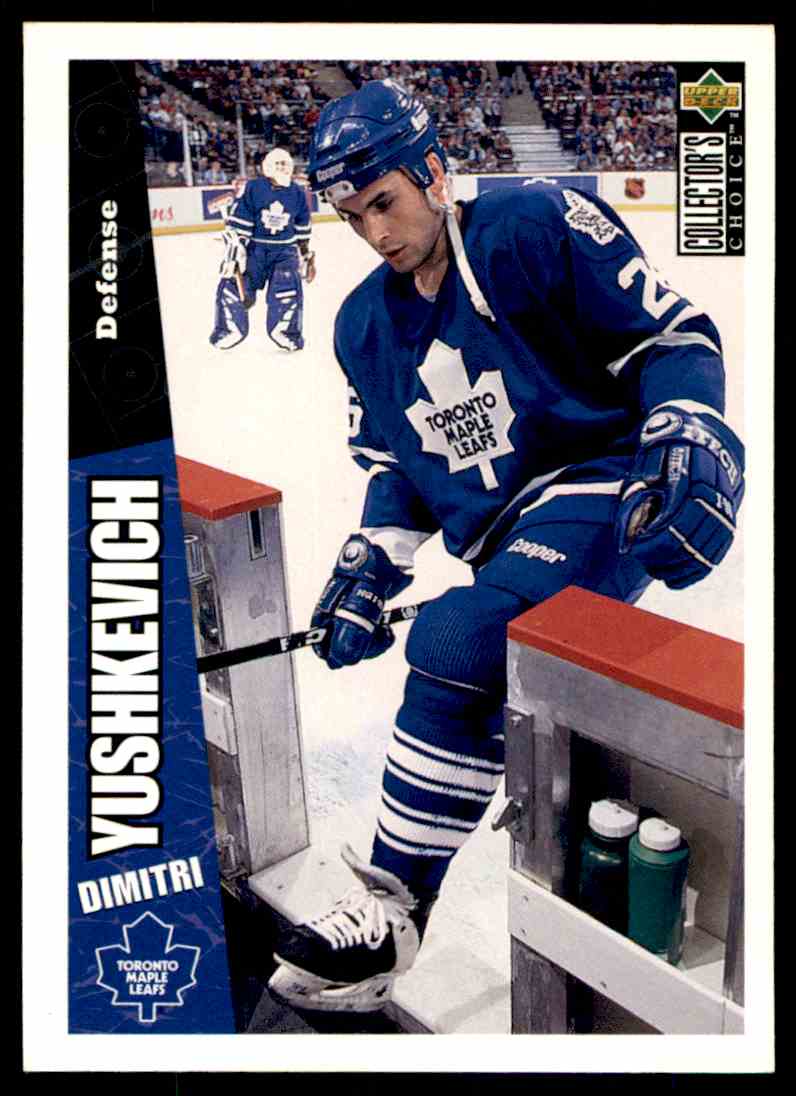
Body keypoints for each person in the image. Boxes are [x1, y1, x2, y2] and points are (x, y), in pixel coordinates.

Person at [267, 79, 745, 1012]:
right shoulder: (362, 327)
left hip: (599, 483)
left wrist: (688, 423)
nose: (374, 233)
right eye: (352, 217)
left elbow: (673, 338)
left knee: (463, 639)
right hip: (503, 539)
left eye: (385, 203)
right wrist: (371, 564)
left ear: (434, 171)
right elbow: (398, 468)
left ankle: (393, 912)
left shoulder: (533, 225)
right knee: (499, 667)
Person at [209, 147, 315, 352]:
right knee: (234, 283)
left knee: (287, 288)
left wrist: (305, 252)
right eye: (278, 164)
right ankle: (228, 329)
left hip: (285, 252)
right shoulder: (254, 187)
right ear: (267, 166)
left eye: (285, 164)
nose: (282, 168)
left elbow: (302, 224)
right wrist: (237, 246)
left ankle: (287, 332)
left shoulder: (297, 192)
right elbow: (243, 217)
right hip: (255, 250)